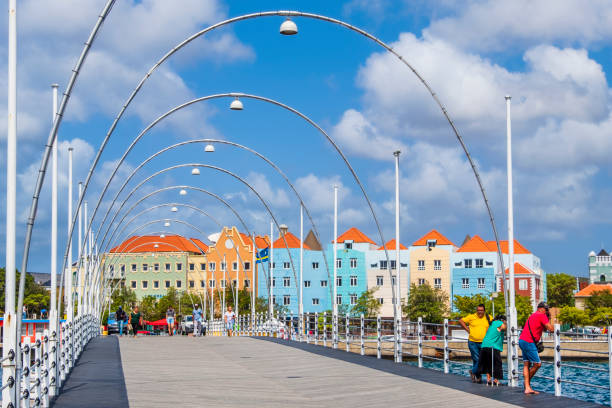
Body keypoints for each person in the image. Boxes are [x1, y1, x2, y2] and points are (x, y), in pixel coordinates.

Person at [519, 302, 554, 395]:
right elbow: (551, 329)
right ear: (541, 308)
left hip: (522, 340)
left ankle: (527, 387)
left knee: (526, 364)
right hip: (529, 342)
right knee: (537, 364)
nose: (547, 311)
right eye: (546, 309)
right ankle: (526, 384)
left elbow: (543, 328)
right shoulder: (541, 316)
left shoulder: (533, 315)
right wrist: (549, 319)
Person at [459, 303, 492, 383]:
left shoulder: (488, 317)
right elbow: (461, 321)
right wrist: (467, 330)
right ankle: (477, 376)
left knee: (480, 360)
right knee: (477, 359)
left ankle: (474, 373)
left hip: (484, 343)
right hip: (473, 342)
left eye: (481, 310)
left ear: (484, 311)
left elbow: (492, 326)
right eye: (478, 310)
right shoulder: (471, 316)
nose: (479, 312)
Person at [475, 315, 507, 386]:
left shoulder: (491, 324)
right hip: (493, 346)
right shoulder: (499, 323)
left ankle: (488, 379)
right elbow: (504, 328)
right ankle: (496, 380)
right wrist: (506, 324)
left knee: (488, 363)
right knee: (497, 363)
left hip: (484, 345)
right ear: (502, 320)